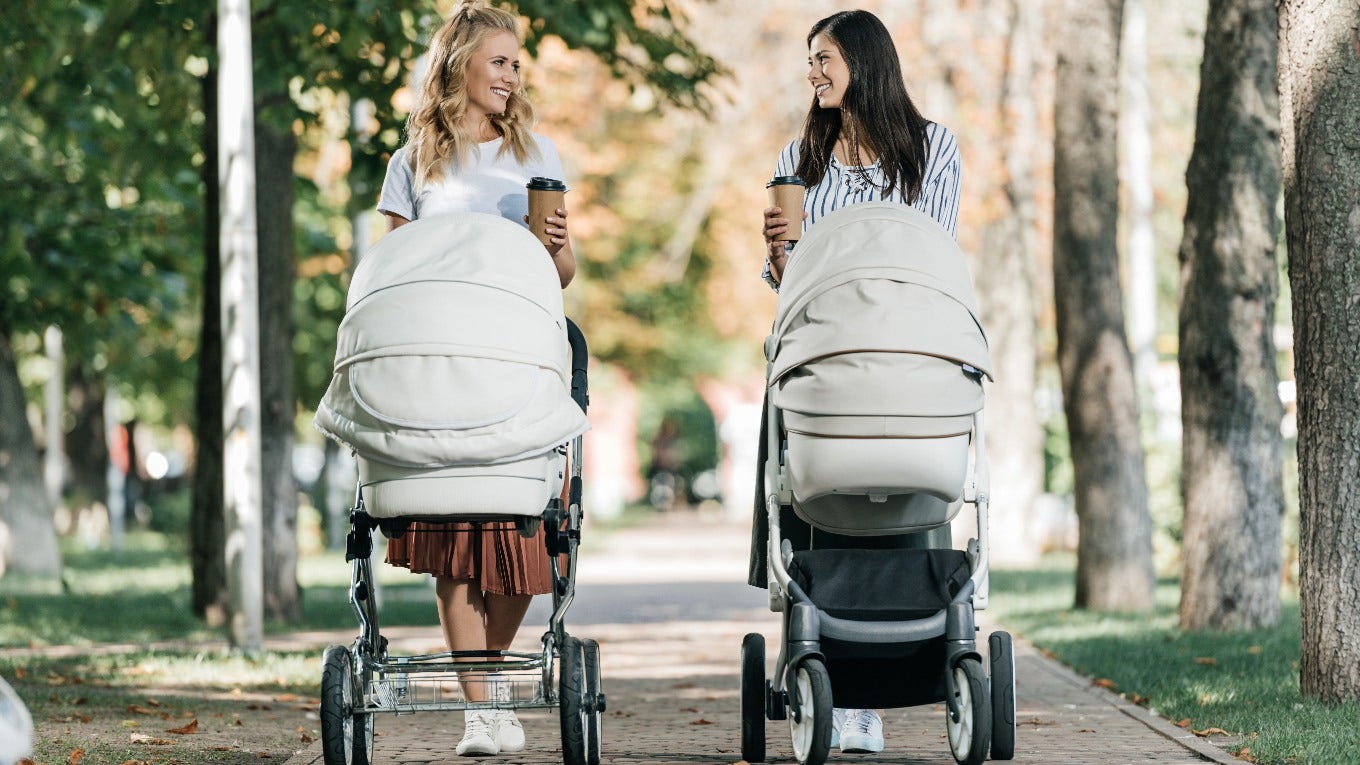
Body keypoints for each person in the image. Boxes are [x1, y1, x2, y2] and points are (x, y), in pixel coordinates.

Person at [754, 9, 963, 756]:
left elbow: (930, 255)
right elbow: (787, 291)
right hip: (824, 354)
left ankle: (883, 681)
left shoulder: (933, 151)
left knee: (897, 507)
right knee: (822, 498)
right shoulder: (796, 161)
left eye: (824, 59)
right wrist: (784, 255)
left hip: (904, 351)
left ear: (864, 61)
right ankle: (836, 689)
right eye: (809, 60)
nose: (812, 72)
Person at [376, 1, 575, 756]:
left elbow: (562, 276)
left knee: (525, 560)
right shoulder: (414, 161)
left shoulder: (536, 152)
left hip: (515, 360)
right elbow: (386, 271)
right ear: (460, 61)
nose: (512, 76)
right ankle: (483, 711)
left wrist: (552, 247)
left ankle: (484, 688)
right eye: (500, 61)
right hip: (439, 364)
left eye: (517, 64)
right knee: (456, 546)